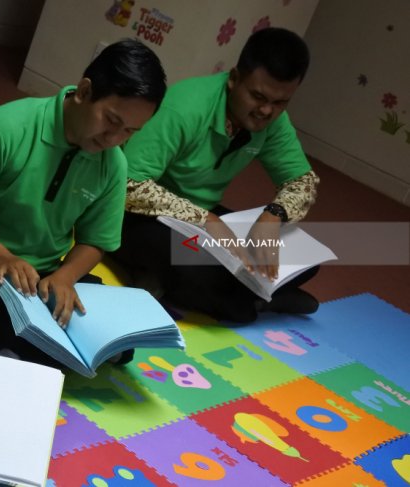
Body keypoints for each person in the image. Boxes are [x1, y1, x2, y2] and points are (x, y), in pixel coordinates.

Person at [0, 39, 167, 366]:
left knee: (118, 339)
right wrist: (2, 255)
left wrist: (66, 276)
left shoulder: (112, 163)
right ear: (85, 91)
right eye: (111, 121)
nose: (113, 139)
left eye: (130, 131)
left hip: (45, 275)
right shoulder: (6, 129)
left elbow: (95, 241)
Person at [111, 27, 320, 323]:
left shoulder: (273, 120)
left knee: (302, 255)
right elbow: (127, 186)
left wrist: (272, 216)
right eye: (258, 96)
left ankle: (226, 292)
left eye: (280, 102)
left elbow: (303, 183)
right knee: (196, 267)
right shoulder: (185, 107)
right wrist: (206, 221)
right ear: (234, 79)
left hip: (202, 217)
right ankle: (256, 304)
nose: (266, 110)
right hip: (135, 216)